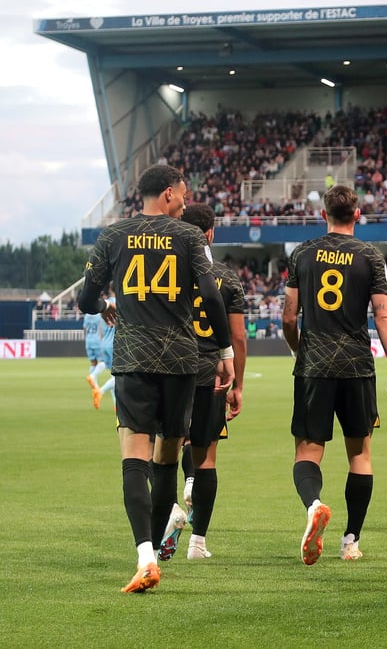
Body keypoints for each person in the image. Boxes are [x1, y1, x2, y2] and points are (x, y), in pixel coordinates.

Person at [77, 164, 235, 593]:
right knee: (167, 456)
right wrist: (225, 352)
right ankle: (160, 541)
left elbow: (84, 298)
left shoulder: (113, 235)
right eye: (182, 195)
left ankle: (146, 555)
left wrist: (105, 303)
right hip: (181, 362)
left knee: (134, 453)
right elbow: (210, 297)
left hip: (132, 359)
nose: (185, 202)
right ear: (167, 194)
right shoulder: (187, 236)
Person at [283, 184, 387, 566]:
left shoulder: (302, 253)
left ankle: (314, 504)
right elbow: (382, 315)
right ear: (357, 215)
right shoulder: (370, 256)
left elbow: (288, 316)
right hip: (356, 365)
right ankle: (350, 540)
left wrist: (301, 350)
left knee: (308, 451)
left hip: (314, 364)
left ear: (323, 215)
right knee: (360, 454)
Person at [158, 203, 247, 561]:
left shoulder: (169, 273)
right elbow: (238, 338)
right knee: (207, 456)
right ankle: (199, 542)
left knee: (165, 450)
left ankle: (169, 512)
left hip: (175, 370)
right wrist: (237, 383)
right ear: (210, 233)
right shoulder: (227, 278)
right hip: (213, 372)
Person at [83, 310, 104, 408]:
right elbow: (101, 328)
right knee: (102, 361)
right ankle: (93, 380)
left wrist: (86, 338)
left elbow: (85, 329)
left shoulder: (87, 315)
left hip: (88, 340)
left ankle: (94, 386)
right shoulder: (99, 316)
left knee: (93, 363)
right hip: (97, 341)